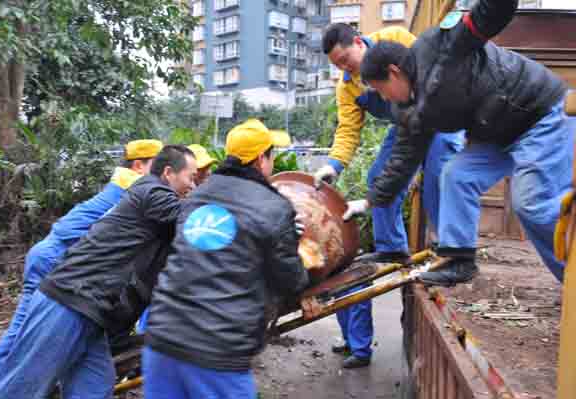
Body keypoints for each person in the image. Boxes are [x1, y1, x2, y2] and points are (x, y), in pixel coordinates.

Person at [348, 0, 571, 286]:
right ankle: (460, 260)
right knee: (457, 175)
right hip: (498, 134)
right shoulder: (409, 110)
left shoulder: (441, 48)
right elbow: (402, 161)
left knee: (532, 204)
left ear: (393, 72)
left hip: (540, 114)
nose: (385, 99)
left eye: (382, 90)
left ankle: (572, 277)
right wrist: (369, 201)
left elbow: (489, 14)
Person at [0, 145, 197, 399]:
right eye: (191, 177)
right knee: (20, 389)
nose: (193, 186)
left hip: (91, 308)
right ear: (169, 173)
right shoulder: (154, 192)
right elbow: (192, 222)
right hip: (70, 301)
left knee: (94, 386)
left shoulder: (150, 195)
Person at [316, 23, 465, 368]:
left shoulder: (395, 39)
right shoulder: (348, 87)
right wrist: (333, 165)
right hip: (404, 125)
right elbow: (349, 129)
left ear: (357, 41)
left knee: (438, 179)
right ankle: (392, 248)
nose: (344, 69)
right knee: (377, 178)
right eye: (337, 66)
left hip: (438, 113)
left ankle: (451, 251)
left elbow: (431, 71)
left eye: (345, 60)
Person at [143, 119, 312, 399]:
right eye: (272, 157)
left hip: (161, 338)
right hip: (217, 350)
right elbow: (291, 281)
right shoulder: (274, 206)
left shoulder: (197, 196)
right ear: (261, 160)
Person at [135, 143, 217, 334]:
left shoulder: (177, 198)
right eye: (196, 175)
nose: (204, 178)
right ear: (171, 173)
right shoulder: (162, 199)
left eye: (207, 172)